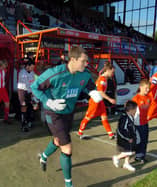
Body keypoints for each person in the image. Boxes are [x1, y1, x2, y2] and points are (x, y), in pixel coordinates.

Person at [31, 46, 101, 187]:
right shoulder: (55, 73)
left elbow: (89, 86)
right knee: (67, 148)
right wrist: (49, 101)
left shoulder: (84, 74)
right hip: (54, 113)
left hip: (68, 112)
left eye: (87, 61)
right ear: (73, 59)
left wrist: (93, 92)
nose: (87, 64)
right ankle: (68, 184)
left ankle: (43, 157)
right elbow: (35, 87)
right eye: (84, 61)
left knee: (58, 141)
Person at [78, 61, 116, 139]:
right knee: (88, 117)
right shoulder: (101, 80)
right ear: (108, 70)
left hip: (100, 101)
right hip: (95, 101)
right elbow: (100, 92)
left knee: (104, 117)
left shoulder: (105, 79)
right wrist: (110, 99)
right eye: (112, 72)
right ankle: (80, 132)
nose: (113, 74)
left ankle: (110, 134)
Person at [112, 100, 138, 172]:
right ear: (130, 110)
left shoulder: (130, 116)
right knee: (130, 152)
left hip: (130, 138)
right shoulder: (124, 118)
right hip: (124, 139)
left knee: (131, 150)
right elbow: (120, 130)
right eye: (135, 110)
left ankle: (126, 164)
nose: (136, 111)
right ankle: (116, 157)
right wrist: (127, 138)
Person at [132, 79, 151, 163]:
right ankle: (138, 156)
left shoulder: (148, 97)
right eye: (146, 88)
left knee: (145, 140)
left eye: (148, 88)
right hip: (137, 124)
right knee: (139, 141)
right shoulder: (136, 98)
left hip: (145, 122)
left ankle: (141, 155)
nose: (147, 90)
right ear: (140, 87)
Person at [17, 60, 38, 132]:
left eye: (33, 67)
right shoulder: (22, 73)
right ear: (27, 66)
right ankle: (23, 124)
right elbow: (24, 86)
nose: (32, 69)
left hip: (30, 91)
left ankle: (30, 121)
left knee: (32, 106)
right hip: (23, 91)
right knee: (24, 107)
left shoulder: (32, 72)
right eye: (31, 67)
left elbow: (34, 81)